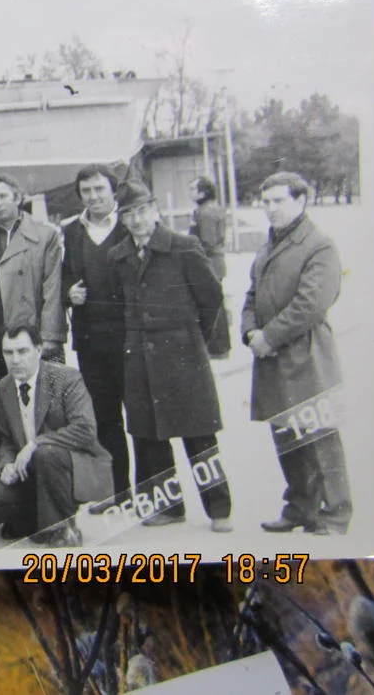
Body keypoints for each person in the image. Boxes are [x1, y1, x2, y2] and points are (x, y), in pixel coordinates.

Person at [108, 179, 232, 533]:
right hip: (140, 361)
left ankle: (219, 508)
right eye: (128, 214)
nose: (136, 220)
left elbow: (211, 299)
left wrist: (197, 343)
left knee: (200, 436)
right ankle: (167, 507)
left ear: (155, 210)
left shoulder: (184, 247)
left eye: (142, 211)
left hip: (184, 358)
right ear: (122, 219)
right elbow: (118, 305)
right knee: (149, 438)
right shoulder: (118, 256)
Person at [242, 171, 351, 536]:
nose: (271, 208)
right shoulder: (268, 245)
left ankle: (335, 514)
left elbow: (311, 304)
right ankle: (301, 508)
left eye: (279, 200)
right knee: (287, 438)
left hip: (308, 356)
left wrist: (269, 337)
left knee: (319, 437)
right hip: (272, 359)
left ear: (301, 201)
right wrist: (249, 332)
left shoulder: (319, 245)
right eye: (266, 201)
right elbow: (252, 296)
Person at [0, 326, 113, 548]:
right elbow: (5, 438)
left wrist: (35, 443)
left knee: (46, 453)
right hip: (31, 470)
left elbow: (85, 428)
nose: (15, 360)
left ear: (39, 350)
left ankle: (64, 529)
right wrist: (6, 464)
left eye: (22, 351)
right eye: (8, 352)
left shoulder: (66, 377)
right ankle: (43, 525)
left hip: (69, 464)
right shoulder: (5, 386)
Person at [60, 165, 131, 505]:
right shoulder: (72, 231)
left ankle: (151, 493)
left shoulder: (129, 224)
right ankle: (117, 492)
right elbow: (64, 276)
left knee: (141, 419)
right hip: (91, 340)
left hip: (130, 339)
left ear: (113, 191)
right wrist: (68, 293)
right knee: (104, 418)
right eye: (86, 191)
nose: (93, 196)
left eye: (100, 189)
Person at [0, 173, 65, 378]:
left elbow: (53, 289)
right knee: (0, 389)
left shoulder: (45, 236)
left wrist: (50, 335)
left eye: (3, 196)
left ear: (17, 198)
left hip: (32, 330)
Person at [190, 176, 231, 358]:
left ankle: (218, 348)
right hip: (216, 262)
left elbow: (207, 241)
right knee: (215, 304)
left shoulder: (204, 212)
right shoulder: (215, 208)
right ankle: (220, 347)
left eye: (193, 189)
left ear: (202, 193)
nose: (190, 193)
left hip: (209, 262)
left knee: (211, 306)